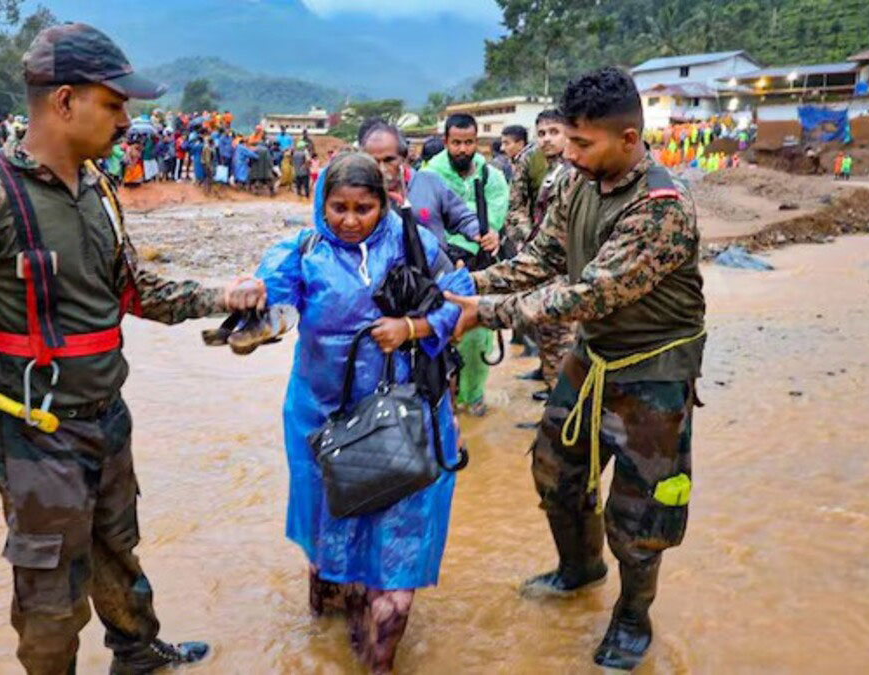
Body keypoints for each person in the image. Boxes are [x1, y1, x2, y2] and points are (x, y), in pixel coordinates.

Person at [0, 23, 266, 674]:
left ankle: (137, 653)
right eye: (115, 102)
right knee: (49, 597)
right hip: (33, 434)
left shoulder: (98, 188)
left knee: (118, 547)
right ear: (65, 101)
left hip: (106, 415)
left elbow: (134, 289)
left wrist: (221, 297)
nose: (127, 120)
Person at [445, 67, 705, 671]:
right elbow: (541, 258)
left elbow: (587, 294)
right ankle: (581, 567)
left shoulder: (662, 209)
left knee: (642, 515)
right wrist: (461, 285)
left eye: (584, 143)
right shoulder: (571, 180)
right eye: (567, 139)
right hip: (591, 361)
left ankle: (634, 615)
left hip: (654, 374)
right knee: (554, 471)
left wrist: (484, 312)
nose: (570, 153)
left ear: (630, 139)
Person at [254, 152, 473, 674]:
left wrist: (413, 329)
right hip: (323, 420)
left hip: (406, 418)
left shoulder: (416, 243)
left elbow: (462, 302)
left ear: (385, 203)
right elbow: (270, 307)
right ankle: (334, 626)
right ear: (320, 205)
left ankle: (380, 655)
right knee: (331, 536)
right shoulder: (301, 251)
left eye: (364, 208)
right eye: (339, 208)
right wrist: (249, 310)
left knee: (399, 540)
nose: (350, 220)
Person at [422, 113, 509, 417]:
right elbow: (427, 220)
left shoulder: (492, 177)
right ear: (445, 142)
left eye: (468, 142)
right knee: (438, 332)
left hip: (479, 267)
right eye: (456, 142)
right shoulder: (430, 175)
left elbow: (494, 218)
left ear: (477, 143)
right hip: (440, 268)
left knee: (477, 334)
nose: (462, 149)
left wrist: (488, 235)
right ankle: (444, 399)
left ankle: (473, 396)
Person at [508, 108, 575, 414]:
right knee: (545, 329)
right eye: (542, 133)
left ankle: (560, 410)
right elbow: (517, 206)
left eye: (554, 132)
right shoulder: (537, 165)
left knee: (561, 335)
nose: (547, 139)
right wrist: (528, 238)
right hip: (538, 254)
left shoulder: (574, 171)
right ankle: (552, 389)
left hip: (564, 265)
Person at [359, 120, 495, 266]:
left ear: (404, 157)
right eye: (374, 161)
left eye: (389, 160)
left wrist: (482, 233)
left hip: (435, 274)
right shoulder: (359, 196)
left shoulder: (430, 183)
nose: (381, 168)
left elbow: (462, 217)